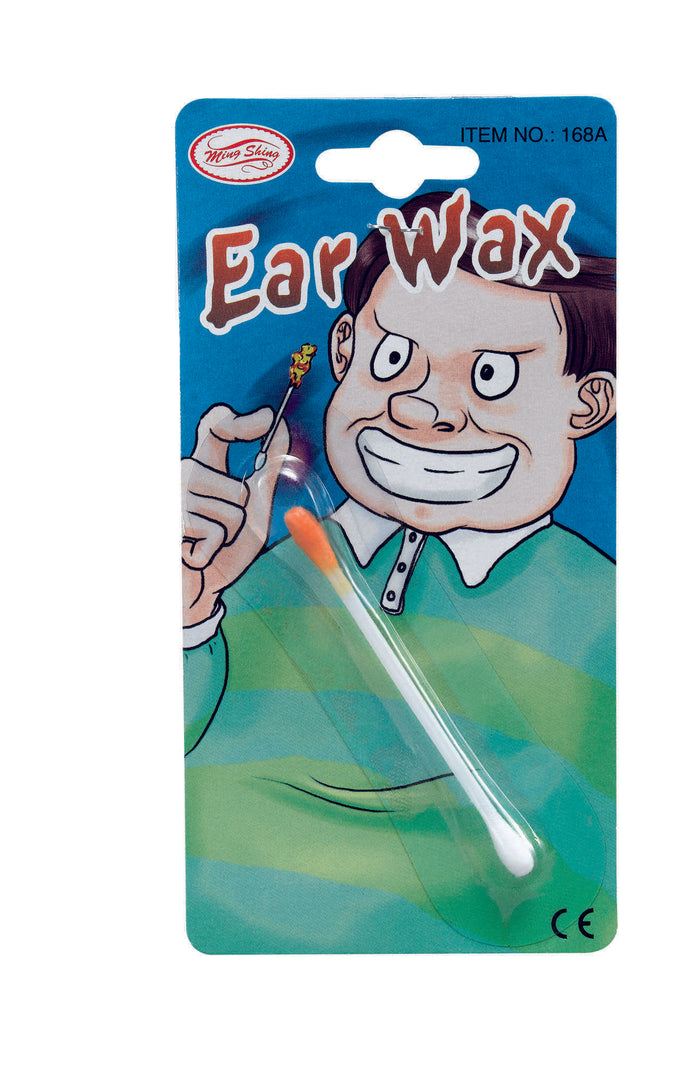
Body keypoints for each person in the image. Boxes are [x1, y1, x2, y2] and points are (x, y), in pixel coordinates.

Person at [181, 193, 616, 953]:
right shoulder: (262, 573)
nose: (422, 409)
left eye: (490, 374)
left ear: (588, 402)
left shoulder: (601, 609)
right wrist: (189, 609)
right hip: (225, 949)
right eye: (393, 360)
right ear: (344, 351)